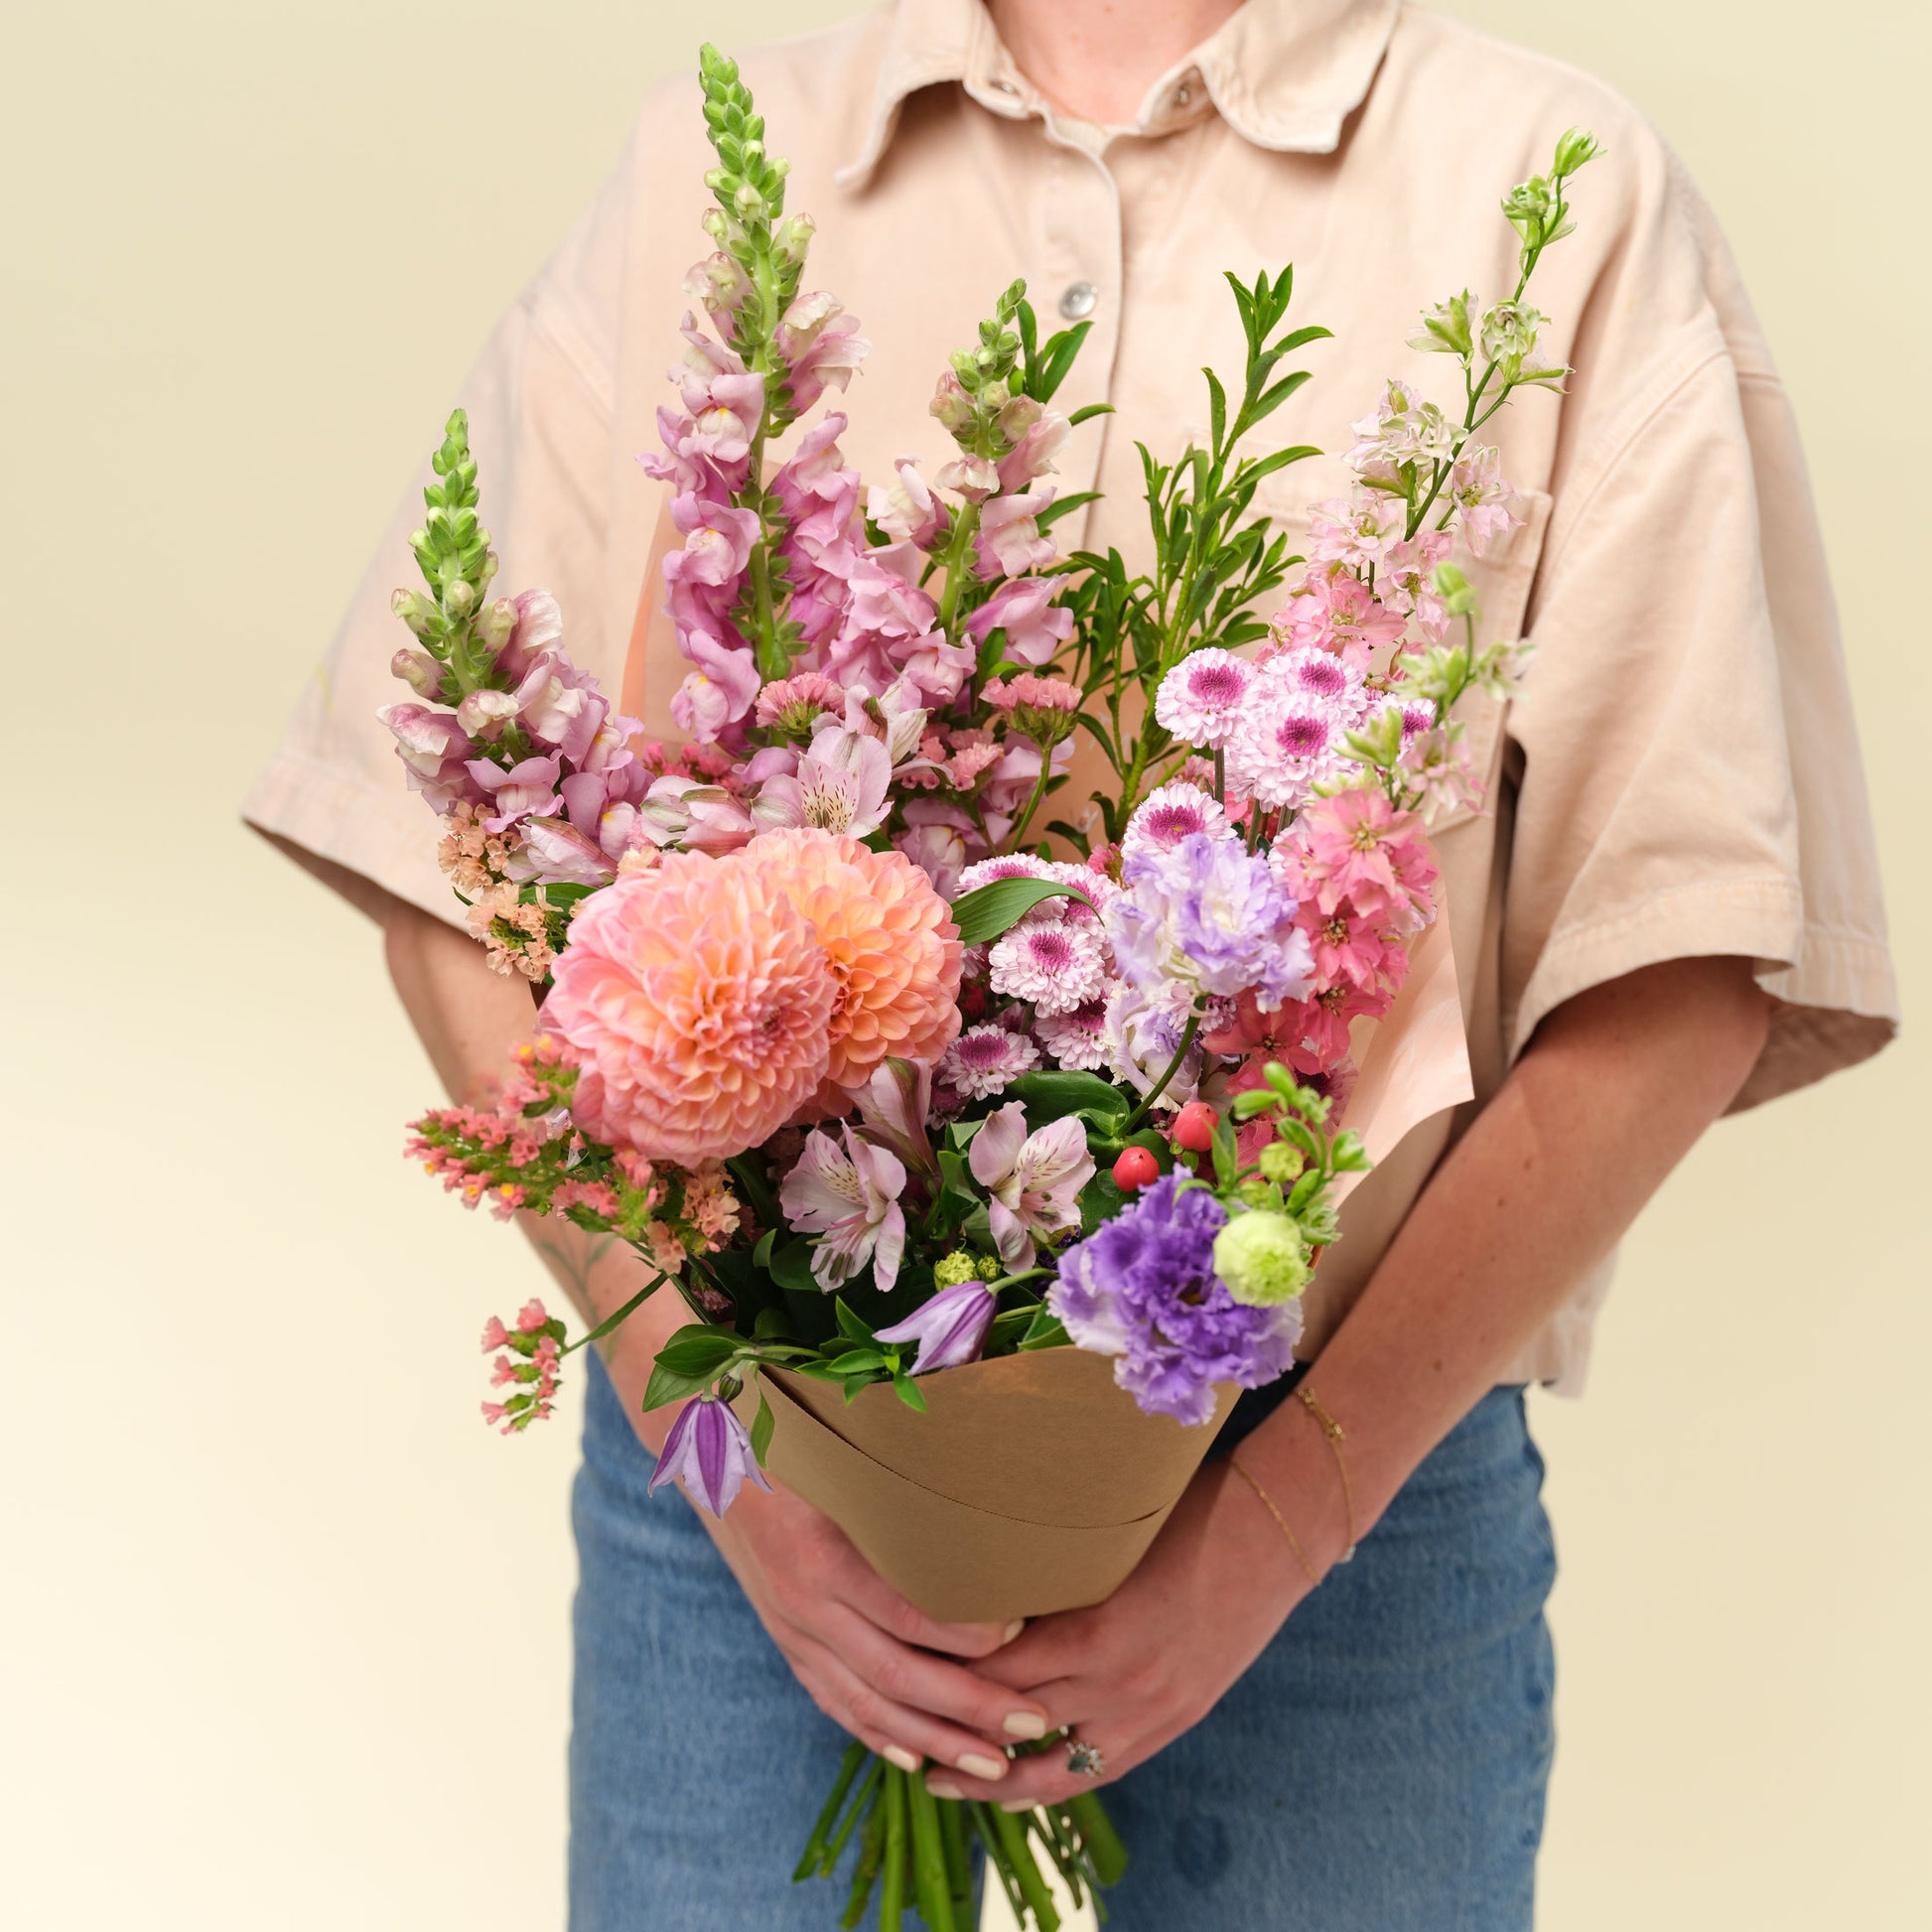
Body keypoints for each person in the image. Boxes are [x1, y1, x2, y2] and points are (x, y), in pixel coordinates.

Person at [245, 1, 1897, 1924]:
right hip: (760, 1501)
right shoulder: (741, 161)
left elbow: (1681, 960)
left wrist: (1276, 1524)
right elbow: (445, 854)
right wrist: (732, 1465)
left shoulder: (1550, 193)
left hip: (1352, 1500)